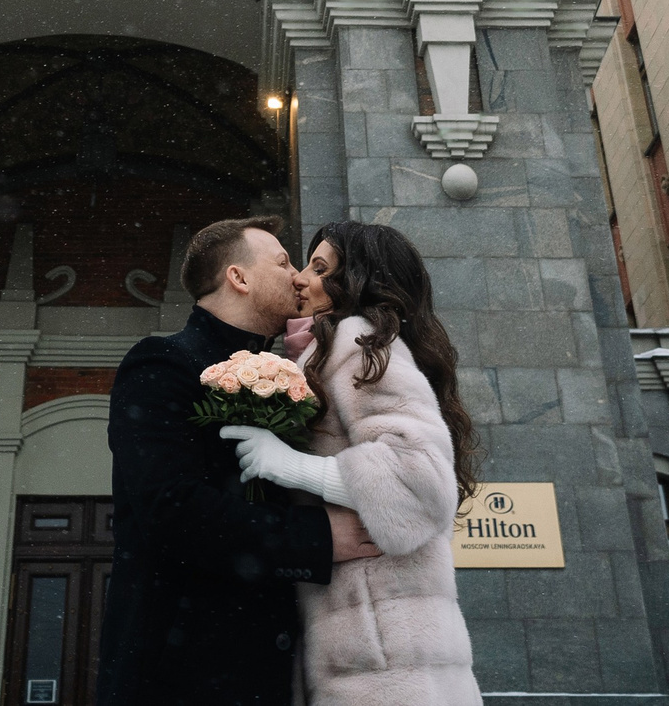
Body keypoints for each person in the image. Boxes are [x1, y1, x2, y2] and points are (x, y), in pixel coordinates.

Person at [98, 215, 383, 706]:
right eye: (283, 262)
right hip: (184, 672)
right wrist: (317, 537)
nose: (298, 276)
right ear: (239, 277)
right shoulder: (162, 364)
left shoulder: (300, 375)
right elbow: (171, 507)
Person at [220, 220, 484, 706]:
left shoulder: (359, 343)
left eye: (318, 268)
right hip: (372, 648)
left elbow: (420, 483)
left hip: (385, 662)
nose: (299, 277)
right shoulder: (328, 352)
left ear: (355, 284)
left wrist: (288, 466)